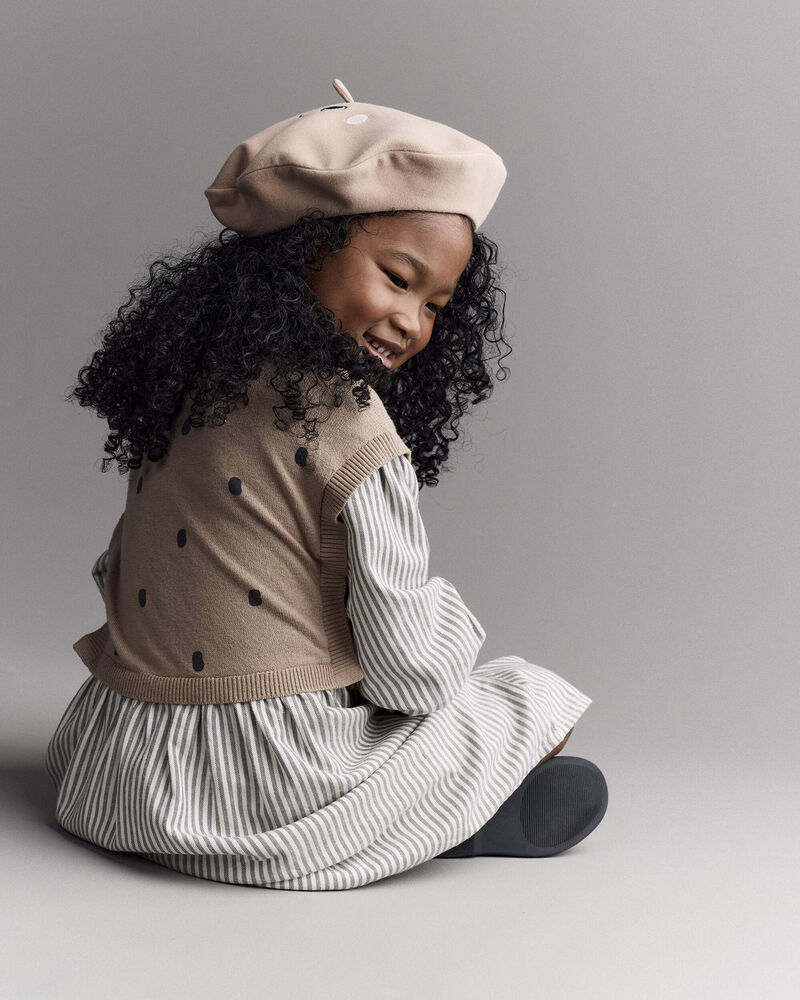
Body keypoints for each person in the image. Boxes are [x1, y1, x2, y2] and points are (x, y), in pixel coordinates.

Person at [46, 79, 608, 891]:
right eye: (397, 277)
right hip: (268, 788)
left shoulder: (188, 381)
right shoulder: (352, 427)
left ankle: (417, 810)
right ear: (305, 247)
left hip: (116, 772)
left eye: (437, 304)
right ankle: (407, 820)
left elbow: (120, 570)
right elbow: (408, 673)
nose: (414, 322)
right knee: (526, 699)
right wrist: (451, 635)